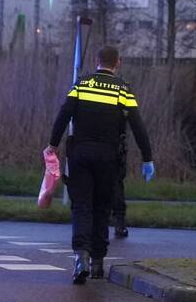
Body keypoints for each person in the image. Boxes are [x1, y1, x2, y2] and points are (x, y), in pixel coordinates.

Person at [47, 45, 154, 284]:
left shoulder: (82, 85)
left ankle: (81, 257)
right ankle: (97, 263)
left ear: (97, 61)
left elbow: (63, 115)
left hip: (80, 155)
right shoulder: (122, 90)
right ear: (118, 63)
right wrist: (147, 158)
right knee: (102, 208)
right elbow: (138, 126)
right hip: (108, 157)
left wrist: (52, 145)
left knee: (82, 206)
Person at [111, 113, 129, 238]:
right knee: (116, 185)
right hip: (114, 145)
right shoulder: (121, 93)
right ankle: (119, 223)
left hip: (89, 143)